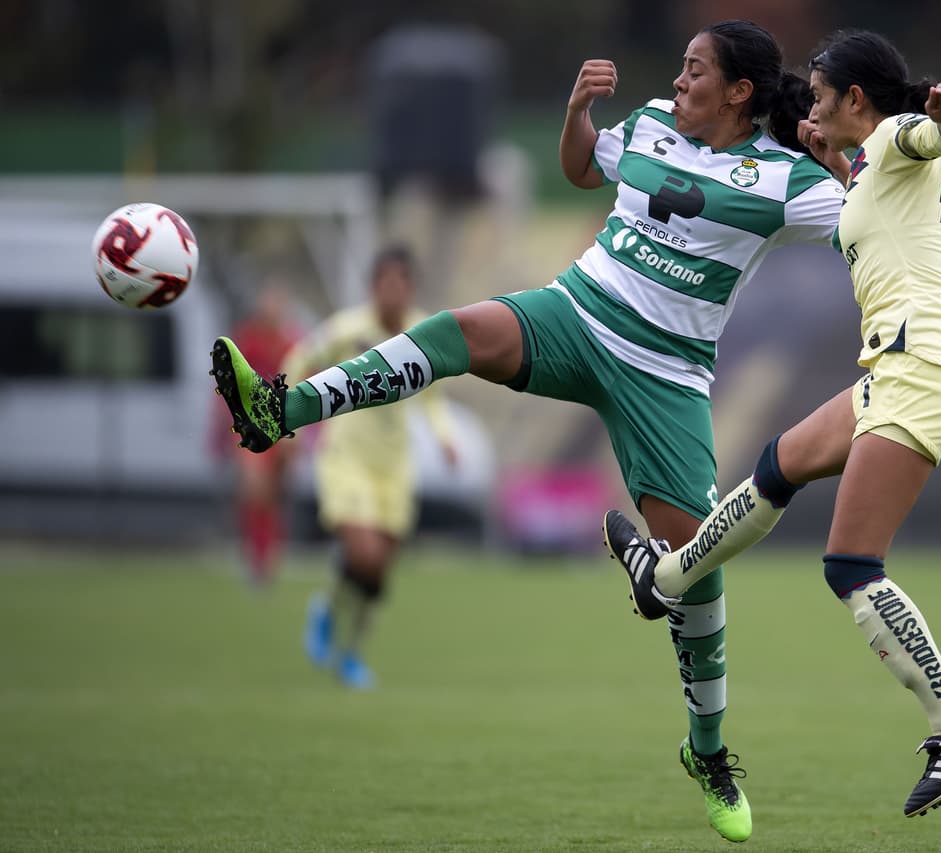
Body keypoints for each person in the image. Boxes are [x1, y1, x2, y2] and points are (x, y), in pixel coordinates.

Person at [209, 20, 845, 843]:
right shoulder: (650, 121)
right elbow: (580, 169)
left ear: (739, 92)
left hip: (666, 373)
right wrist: (578, 110)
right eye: (681, 66)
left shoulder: (786, 181)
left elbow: (865, 218)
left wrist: (861, 152)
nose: (679, 80)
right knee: (453, 331)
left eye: (696, 71)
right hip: (576, 313)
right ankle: (278, 412)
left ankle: (709, 751)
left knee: (699, 571)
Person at [603, 28, 941, 820]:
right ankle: (667, 579)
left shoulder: (895, 136)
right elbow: (875, 196)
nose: (808, 109)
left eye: (819, 96)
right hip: (902, 368)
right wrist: (831, 160)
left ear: (857, 100)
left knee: (852, 564)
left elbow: (927, 134)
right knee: (779, 464)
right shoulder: (867, 169)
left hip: (921, 374)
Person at [282, 246, 458, 690]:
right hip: (348, 458)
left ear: (411, 288)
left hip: (394, 465)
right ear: (373, 287)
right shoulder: (349, 330)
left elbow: (433, 396)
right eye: (386, 283)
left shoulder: (422, 333)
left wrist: (444, 437)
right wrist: (289, 419)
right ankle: (326, 611)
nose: (393, 292)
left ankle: (351, 653)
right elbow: (301, 359)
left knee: (379, 572)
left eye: (402, 283)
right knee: (364, 554)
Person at [210, 282, 300, 585]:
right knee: (253, 491)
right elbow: (227, 385)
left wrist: (300, 435)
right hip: (248, 427)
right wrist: (222, 428)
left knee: (272, 498)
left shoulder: (291, 344)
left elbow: (303, 388)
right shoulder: (247, 340)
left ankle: (268, 557)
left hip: (281, 433)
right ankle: (255, 557)